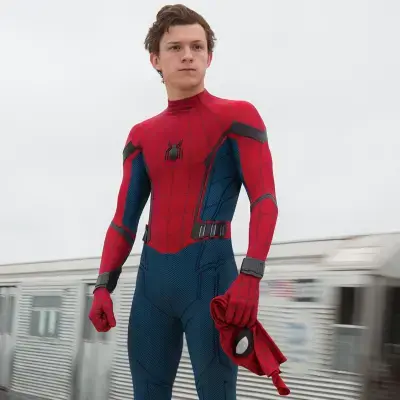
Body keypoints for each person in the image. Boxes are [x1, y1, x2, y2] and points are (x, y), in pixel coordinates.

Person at [89, 4, 278, 400]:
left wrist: (251, 276)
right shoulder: (141, 136)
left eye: (197, 46)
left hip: (213, 283)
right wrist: (103, 285)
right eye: (175, 47)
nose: (188, 55)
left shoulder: (238, 117)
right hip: (151, 288)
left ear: (209, 56)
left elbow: (264, 201)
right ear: (156, 59)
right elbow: (123, 220)